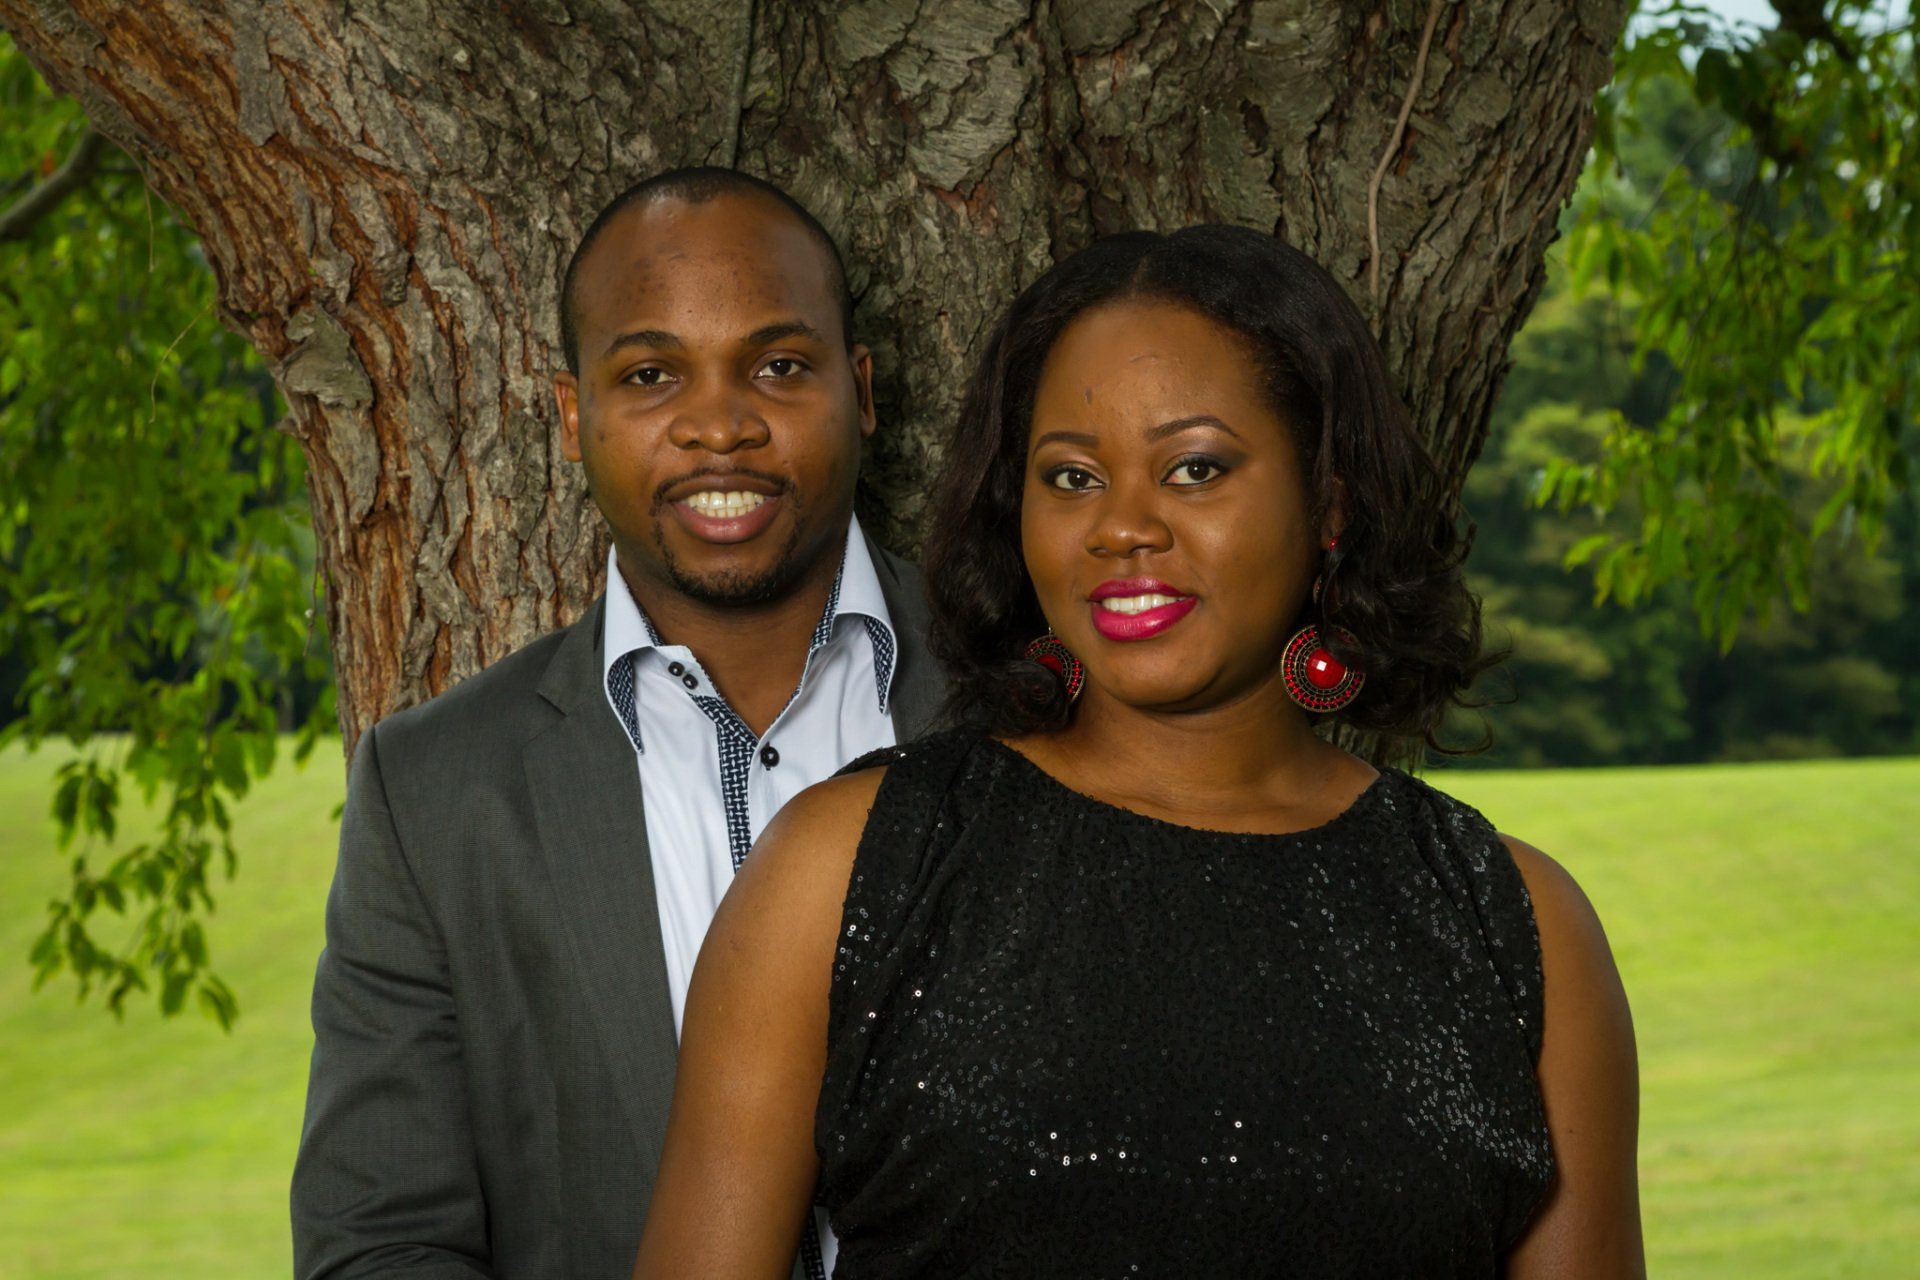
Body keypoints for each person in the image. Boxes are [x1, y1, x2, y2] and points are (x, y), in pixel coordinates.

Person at [631, 225, 1645, 1277]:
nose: (1122, 527)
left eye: (1194, 468)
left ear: (1328, 504)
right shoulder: (848, 865)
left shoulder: (1512, 924)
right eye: (1070, 477)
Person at [291, 168, 946, 1279]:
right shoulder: (436, 793)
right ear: (572, 414)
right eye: (651, 374)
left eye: (779, 366)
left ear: (863, 389)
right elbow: (379, 1244)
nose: (720, 426)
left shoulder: (1042, 705)